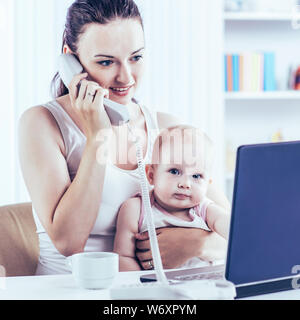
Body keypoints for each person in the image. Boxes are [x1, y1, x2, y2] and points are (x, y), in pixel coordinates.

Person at [18, 0, 229, 275]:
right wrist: (98, 136)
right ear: (71, 59)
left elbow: (239, 234)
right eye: (106, 62)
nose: (126, 77)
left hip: (152, 294)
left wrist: (197, 244)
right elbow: (68, 242)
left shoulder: (167, 128)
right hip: (71, 290)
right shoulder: (42, 123)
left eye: (136, 57)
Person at [114, 125, 230, 271]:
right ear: (151, 175)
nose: (185, 184)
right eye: (174, 171)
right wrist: (142, 286)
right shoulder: (136, 209)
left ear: (208, 183)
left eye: (196, 176)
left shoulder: (204, 209)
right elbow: (123, 257)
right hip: (156, 287)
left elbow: (232, 228)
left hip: (204, 284)